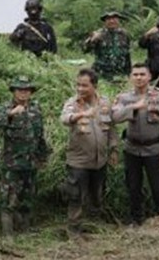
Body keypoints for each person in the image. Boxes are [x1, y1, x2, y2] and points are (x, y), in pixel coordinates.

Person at [111, 63, 159, 225]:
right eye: (135, 74)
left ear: (149, 77)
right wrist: (134, 107)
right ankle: (136, 219)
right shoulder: (123, 98)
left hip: (154, 149)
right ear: (130, 77)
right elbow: (114, 117)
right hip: (131, 149)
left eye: (142, 74)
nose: (139, 78)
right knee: (133, 187)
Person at [60, 68, 119, 235]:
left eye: (84, 85)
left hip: (100, 160)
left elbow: (112, 129)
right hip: (78, 161)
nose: (80, 89)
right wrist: (80, 115)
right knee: (76, 196)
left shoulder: (105, 103)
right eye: (78, 85)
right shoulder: (73, 103)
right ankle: (74, 231)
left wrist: (114, 149)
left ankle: (94, 225)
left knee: (97, 194)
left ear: (94, 86)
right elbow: (65, 118)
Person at [0, 76, 49, 238]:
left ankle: (25, 230)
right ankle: (8, 234)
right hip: (12, 164)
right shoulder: (5, 108)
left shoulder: (36, 108)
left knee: (27, 198)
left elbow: (40, 135)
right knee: (8, 199)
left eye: (26, 90)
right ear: (13, 91)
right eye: (19, 90)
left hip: (31, 163)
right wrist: (11, 114)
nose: (23, 93)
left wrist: (42, 156)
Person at [84, 11, 131, 81]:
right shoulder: (99, 34)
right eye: (108, 19)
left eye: (114, 18)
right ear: (105, 21)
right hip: (101, 73)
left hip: (120, 74)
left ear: (118, 20)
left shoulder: (124, 34)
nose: (111, 21)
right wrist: (92, 40)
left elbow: (127, 54)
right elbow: (85, 49)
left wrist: (129, 72)